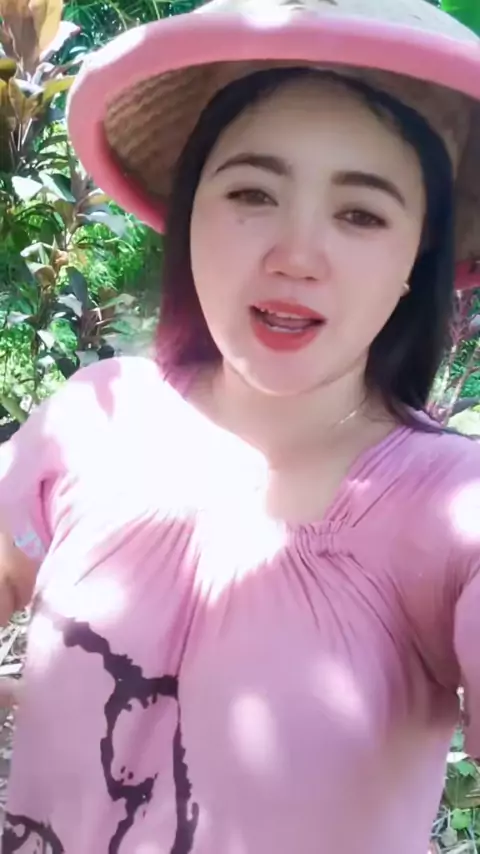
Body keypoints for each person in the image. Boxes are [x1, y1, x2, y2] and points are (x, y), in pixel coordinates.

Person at [0, 0, 480, 851]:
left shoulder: (453, 509)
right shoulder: (95, 419)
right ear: (191, 212)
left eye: (361, 214)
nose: (296, 255)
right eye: (253, 193)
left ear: (418, 255)